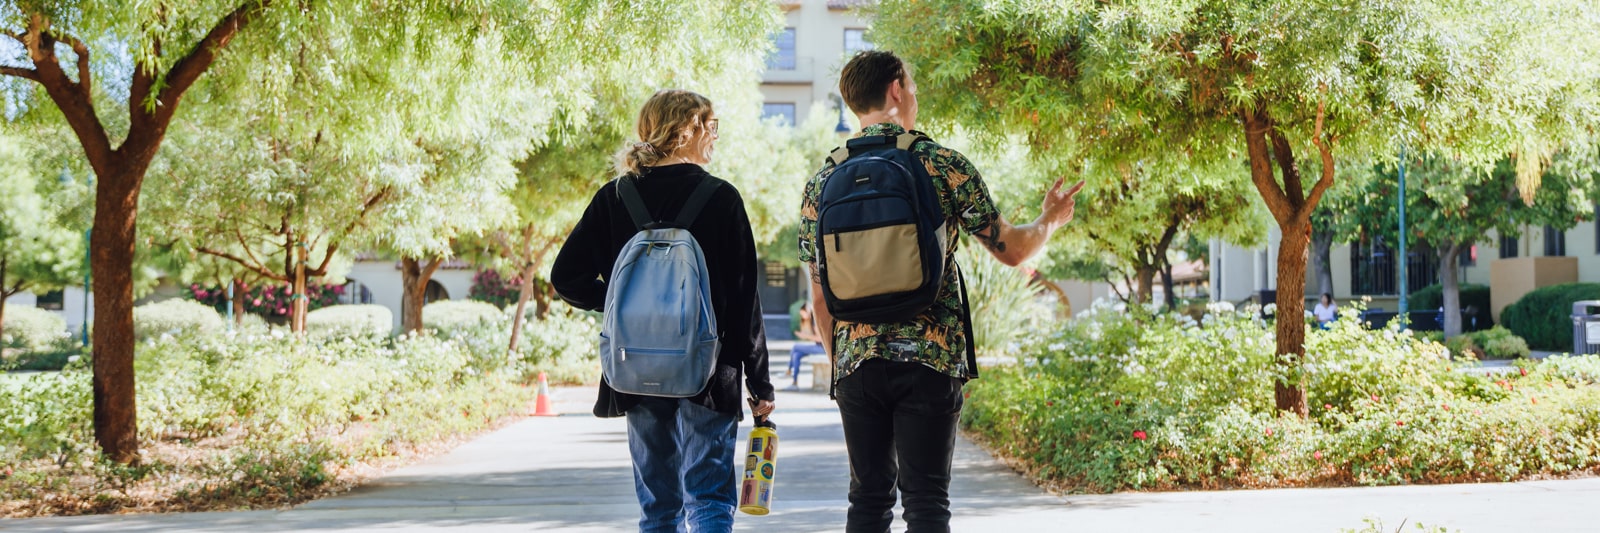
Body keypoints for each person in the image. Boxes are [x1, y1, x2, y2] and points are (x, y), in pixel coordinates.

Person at [797, 50, 1083, 533]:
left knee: (867, 502)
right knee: (927, 503)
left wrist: (843, 364)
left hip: (857, 364)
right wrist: (1050, 221)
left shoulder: (821, 182)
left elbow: (821, 299)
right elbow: (1011, 251)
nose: (914, 93)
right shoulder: (939, 163)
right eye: (911, 83)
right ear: (895, 89)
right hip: (931, 358)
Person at [551, 89, 776, 533]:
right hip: (712, 371)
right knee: (709, 499)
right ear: (688, 128)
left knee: (658, 509)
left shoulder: (615, 196)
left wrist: (620, 306)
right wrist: (760, 382)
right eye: (710, 128)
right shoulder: (721, 197)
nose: (714, 137)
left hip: (636, 367)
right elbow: (745, 299)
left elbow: (566, 278)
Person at [786, 299, 827, 389]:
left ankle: (789, 371)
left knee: (796, 347)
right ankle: (794, 382)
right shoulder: (810, 321)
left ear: (807, 311)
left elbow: (820, 339)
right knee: (796, 355)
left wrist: (806, 336)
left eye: (802, 313)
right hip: (818, 347)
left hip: (823, 349)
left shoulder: (815, 322)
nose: (802, 316)